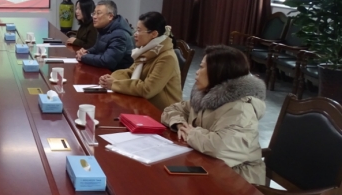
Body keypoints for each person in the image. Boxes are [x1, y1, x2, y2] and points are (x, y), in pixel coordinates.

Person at [161, 45, 266, 184]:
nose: (196, 72)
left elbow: (221, 148)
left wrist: (192, 133)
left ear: (218, 72)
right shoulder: (205, 96)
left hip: (239, 179)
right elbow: (172, 110)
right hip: (207, 164)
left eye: (201, 67)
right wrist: (180, 124)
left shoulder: (241, 109)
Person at [99, 12, 181, 111]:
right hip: (143, 102)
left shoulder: (167, 57)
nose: (135, 34)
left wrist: (114, 84)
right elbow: (130, 72)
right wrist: (110, 78)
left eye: (139, 30)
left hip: (161, 111)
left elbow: (147, 89)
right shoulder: (147, 50)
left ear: (154, 34)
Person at [75, 0, 134, 71]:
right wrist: (86, 52)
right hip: (104, 71)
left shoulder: (120, 35)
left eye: (98, 13)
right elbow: (96, 48)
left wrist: (83, 57)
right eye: (94, 13)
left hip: (115, 74)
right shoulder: (104, 29)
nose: (94, 17)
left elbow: (108, 61)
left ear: (110, 16)